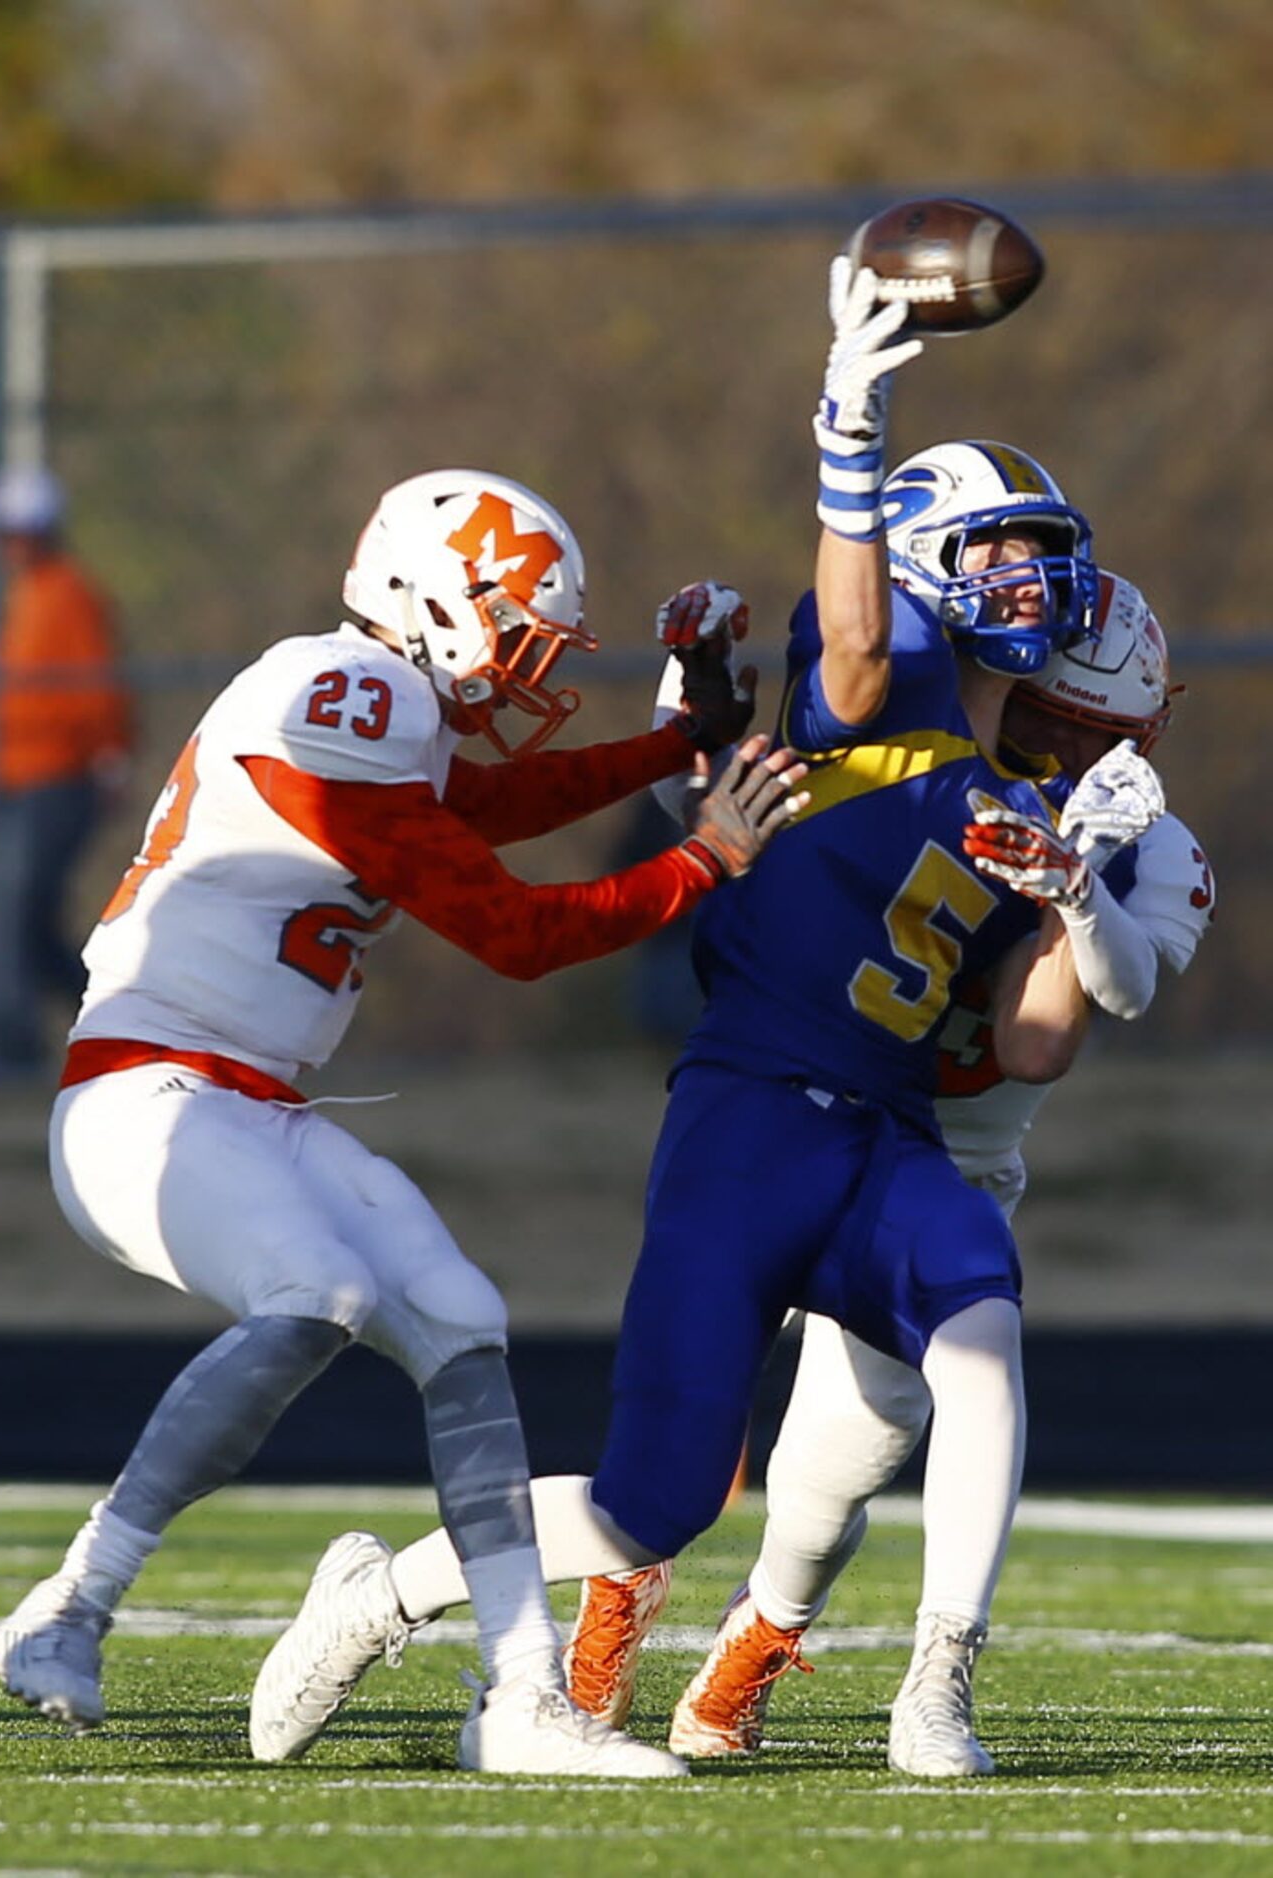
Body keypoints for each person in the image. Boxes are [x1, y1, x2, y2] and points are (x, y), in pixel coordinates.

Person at [247, 261, 1110, 1766]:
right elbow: (840, 644)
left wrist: (1075, 896)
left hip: (889, 1135)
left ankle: (935, 1680)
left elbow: (1028, 1042)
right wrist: (849, 424)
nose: (1032, 586)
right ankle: (383, 1594)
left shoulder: (1031, 792)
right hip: (751, 1115)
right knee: (654, 1499)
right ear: (916, 562)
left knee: (980, 1325)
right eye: (999, 556)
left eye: (1046, 559)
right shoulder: (879, 676)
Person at [0, 467, 805, 1780]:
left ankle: (526, 1695)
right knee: (322, 1291)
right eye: (522, 631)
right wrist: (699, 855)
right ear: (437, 595)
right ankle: (67, 1608)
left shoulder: (387, 713)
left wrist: (666, 748)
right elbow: (516, 933)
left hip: (247, 1105)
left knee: (458, 1314)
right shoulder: (335, 690)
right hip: (146, 1095)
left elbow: (484, 809)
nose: (529, 667)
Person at [575, 572, 1213, 1776]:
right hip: (789, 1114)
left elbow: (1069, 1023)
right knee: (680, 1405)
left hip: (942, 1165)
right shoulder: (916, 753)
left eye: (1108, 734)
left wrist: (1074, 880)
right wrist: (698, 703)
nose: (1079, 750)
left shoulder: (1142, 843)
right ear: (1014, 686)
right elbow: (721, 813)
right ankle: (612, 1599)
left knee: (845, 1462)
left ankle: (764, 1637)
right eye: (1059, 719)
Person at [0, 465, 134, 1073]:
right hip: (21, 776)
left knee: (28, 913)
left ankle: (102, 1026)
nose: (13, 545)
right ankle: (80, 1035)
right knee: (20, 916)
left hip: (61, 776)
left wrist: (111, 757)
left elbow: (99, 689)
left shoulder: (67, 593)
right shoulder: (26, 595)